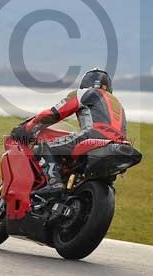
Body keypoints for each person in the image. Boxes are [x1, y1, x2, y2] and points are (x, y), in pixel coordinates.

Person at [11, 68, 127, 197]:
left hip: (94, 135)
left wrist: (28, 126)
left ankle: (54, 183)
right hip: (119, 143)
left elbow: (54, 113)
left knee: (46, 146)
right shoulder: (118, 104)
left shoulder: (85, 93)